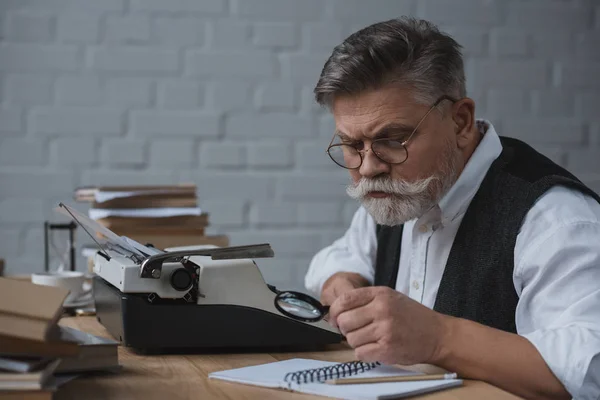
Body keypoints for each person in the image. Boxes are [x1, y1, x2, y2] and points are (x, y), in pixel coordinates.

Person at [304, 17, 600, 400]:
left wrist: (440, 338)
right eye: (351, 145)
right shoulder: (400, 193)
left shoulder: (556, 220)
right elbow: (341, 258)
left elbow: (589, 369)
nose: (368, 167)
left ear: (460, 121)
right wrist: (342, 286)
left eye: (392, 139)